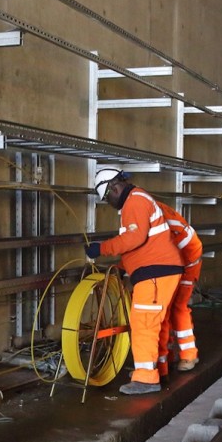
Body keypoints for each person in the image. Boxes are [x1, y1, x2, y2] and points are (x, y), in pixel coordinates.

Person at [85, 167, 183, 394]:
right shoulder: (138, 199)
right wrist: (122, 267)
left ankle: (147, 379)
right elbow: (142, 245)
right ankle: (155, 369)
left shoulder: (135, 202)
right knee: (153, 323)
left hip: (156, 273)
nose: (109, 203)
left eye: (107, 198)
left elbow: (134, 238)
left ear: (114, 188)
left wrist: (102, 248)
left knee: (144, 323)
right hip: (158, 270)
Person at [155, 200, 203, 372]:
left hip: (187, 261)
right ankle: (166, 356)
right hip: (176, 261)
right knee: (165, 309)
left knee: (177, 307)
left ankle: (189, 355)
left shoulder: (158, 215)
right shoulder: (151, 209)